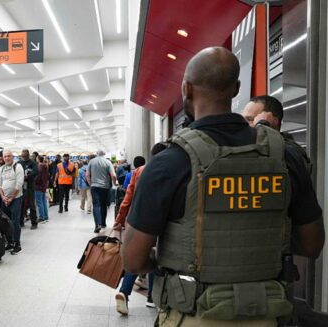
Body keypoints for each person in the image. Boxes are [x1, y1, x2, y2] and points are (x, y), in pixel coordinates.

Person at [122, 47, 325, 326]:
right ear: (236, 88)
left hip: (194, 315)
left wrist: (173, 258)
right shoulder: (284, 155)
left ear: (186, 89)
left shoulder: (168, 162)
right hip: (270, 314)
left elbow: (132, 259)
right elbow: (313, 244)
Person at [113, 155, 150, 315]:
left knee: (136, 254)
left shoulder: (138, 172)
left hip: (136, 219)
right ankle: (151, 298)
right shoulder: (169, 167)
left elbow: (127, 198)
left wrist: (119, 219)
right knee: (155, 255)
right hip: (159, 218)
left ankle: (125, 292)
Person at [0, 150, 25, 255]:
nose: (7, 158)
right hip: (4, 199)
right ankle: (9, 242)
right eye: (5, 157)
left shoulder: (18, 167)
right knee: (5, 221)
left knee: (15, 221)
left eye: (8, 156)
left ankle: (17, 244)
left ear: (12, 157)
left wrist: (11, 198)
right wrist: (3, 197)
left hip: (16, 198)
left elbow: (19, 184)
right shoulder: (2, 168)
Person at [87, 150, 116, 233]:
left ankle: (97, 224)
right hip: (105, 187)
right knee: (103, 205)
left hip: (94, 186)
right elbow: (113, 175)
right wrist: (114, 184)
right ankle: (103, 223)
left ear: (97, 154)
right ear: (104, 154)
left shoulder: (91, 162)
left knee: (96, 205)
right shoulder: (108, 162)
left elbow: (87, 175)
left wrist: (90, 184)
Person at [19, 149, 39, 229]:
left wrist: (28, 176)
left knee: (31, 205)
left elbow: (36, 172)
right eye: (22, 156)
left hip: (30, 186)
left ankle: (34, 223)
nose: (23, 157)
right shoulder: (19, 163)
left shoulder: (32, 163)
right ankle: (20, 222)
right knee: (21, 204)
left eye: (25, 156)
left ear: (28, 155)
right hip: (21, 186)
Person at [34, 155, 50, 223]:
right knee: (44, 202)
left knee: (39, 203)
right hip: (44, 186)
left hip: (38, 187)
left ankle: (41, 217)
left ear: (38, 159)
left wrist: (33, 180)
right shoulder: (45, 167)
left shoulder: (39, 167)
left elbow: (37, 178)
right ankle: (46, 216)